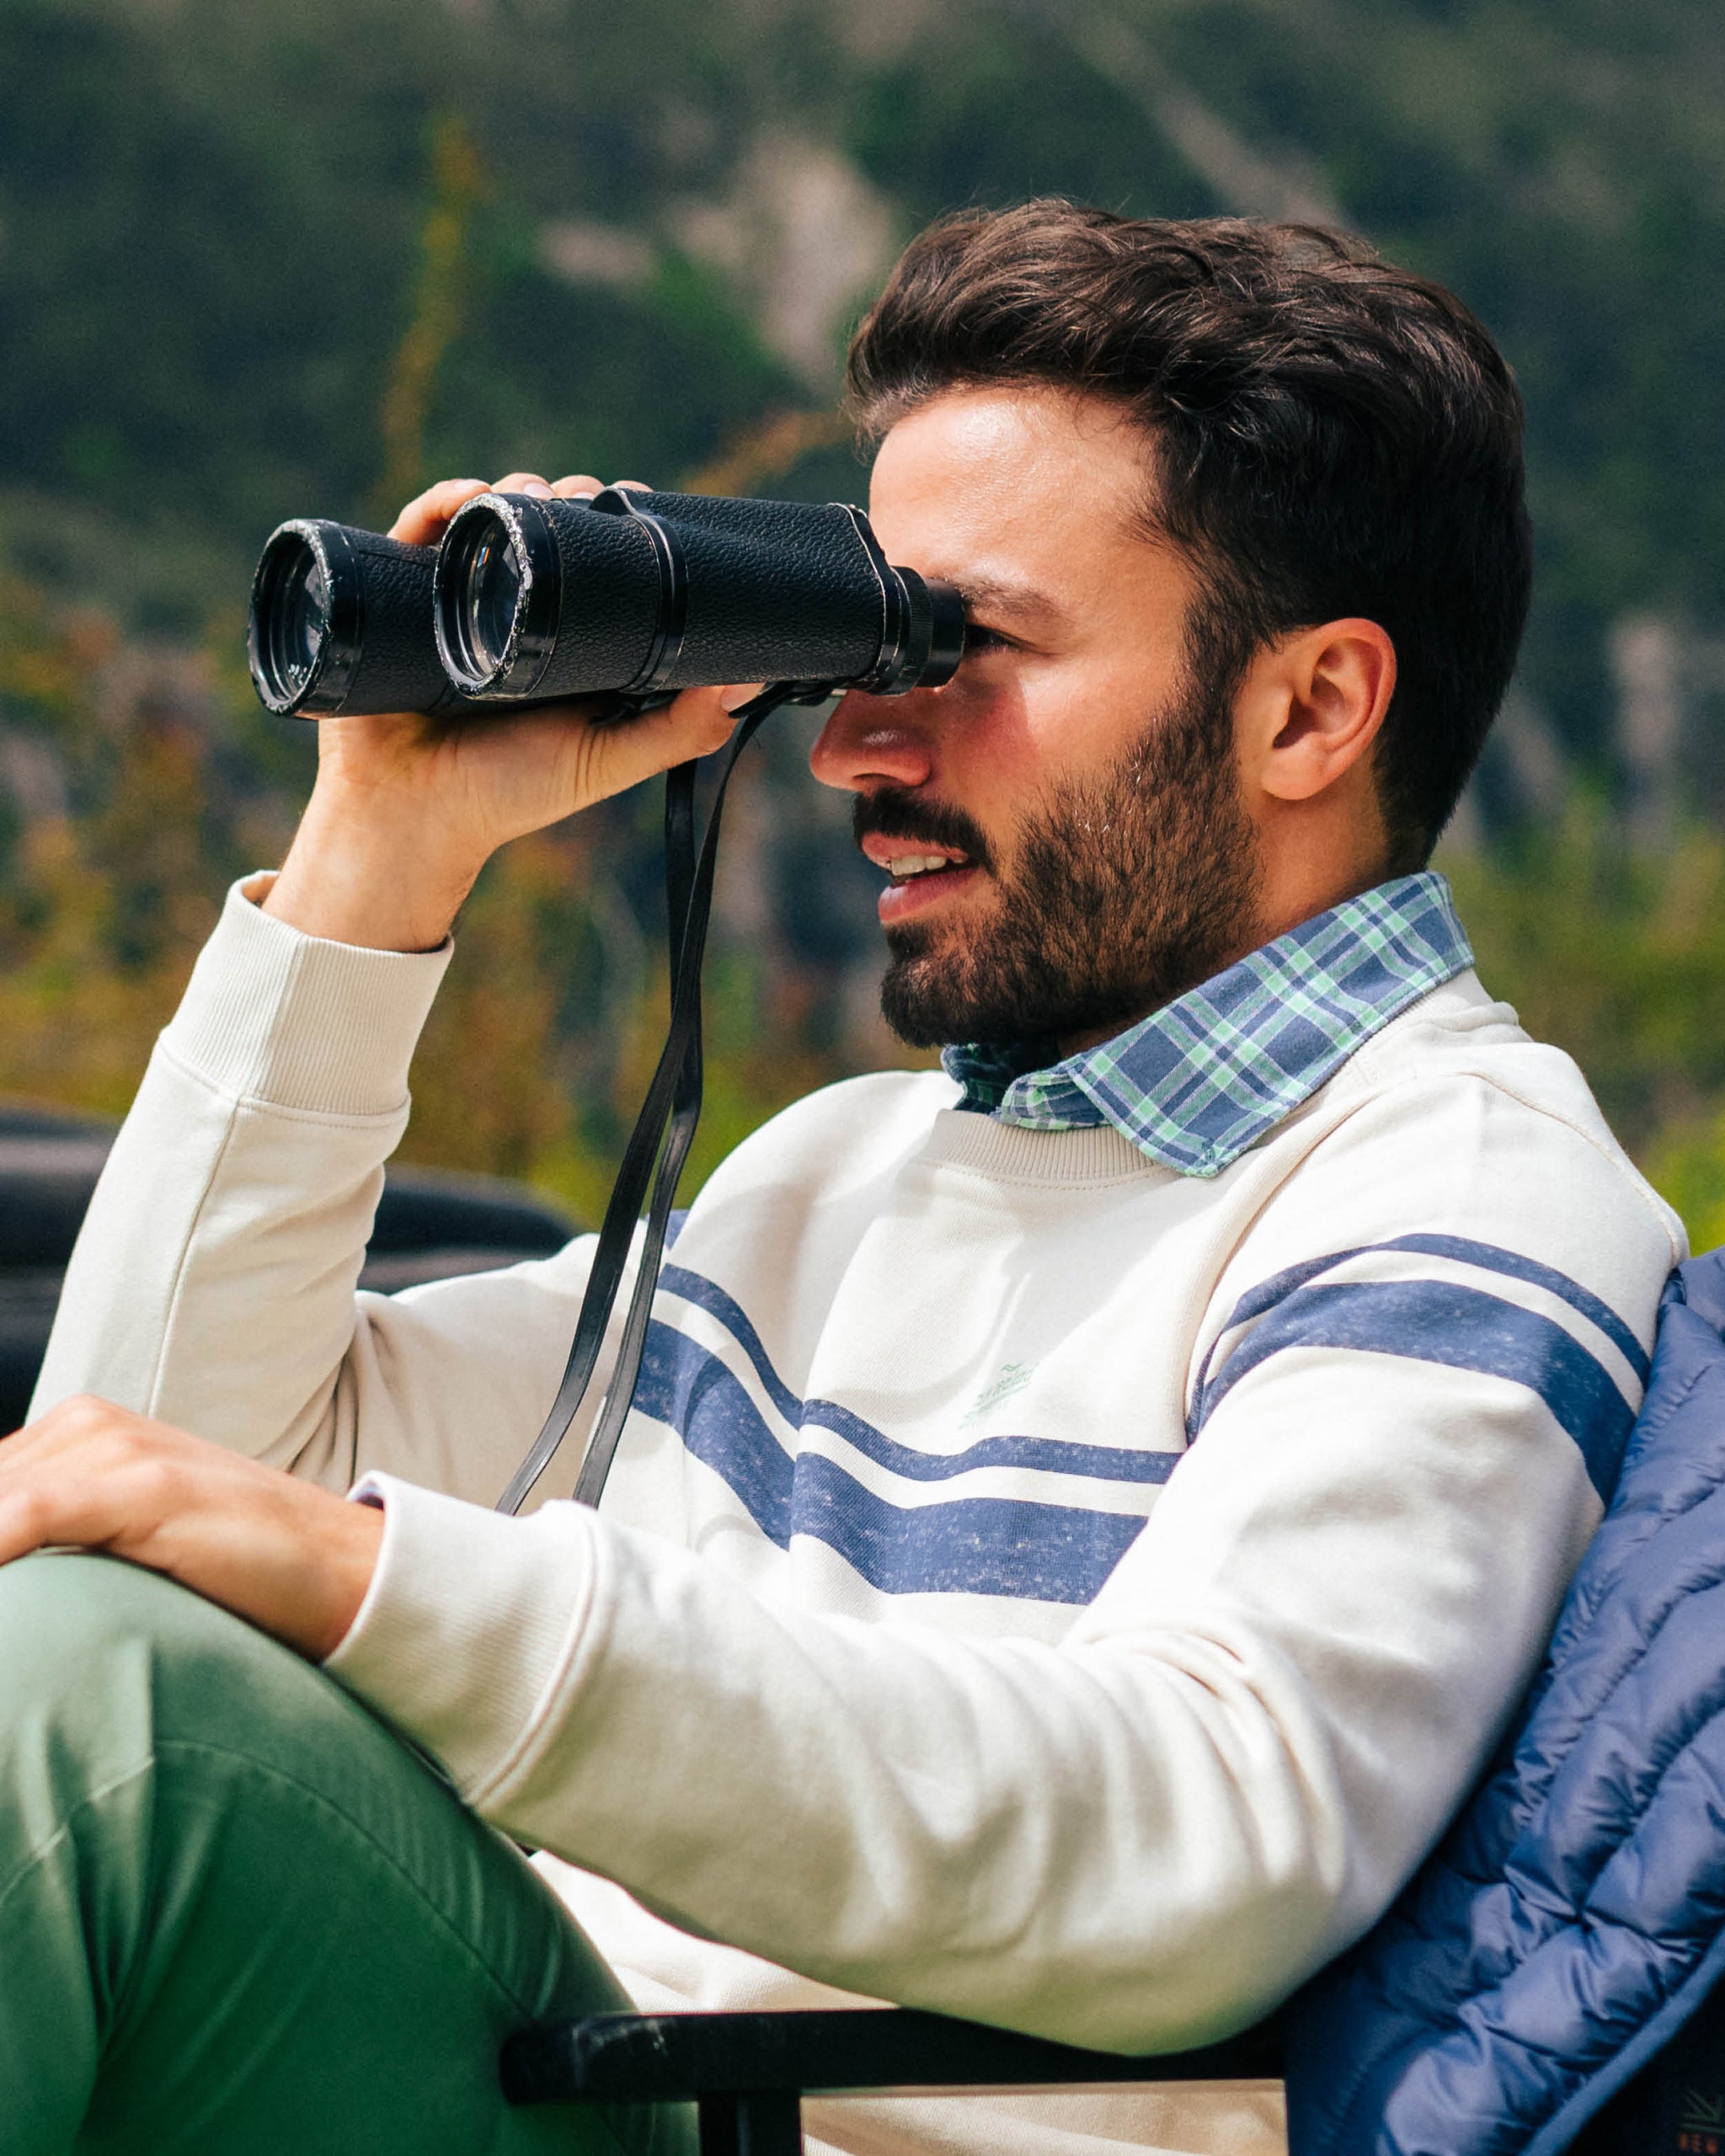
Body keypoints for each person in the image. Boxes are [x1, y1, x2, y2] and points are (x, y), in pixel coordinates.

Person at [4, 204, 1683, 2156]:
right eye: (872, 635)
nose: (853, 745)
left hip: (751, 2122)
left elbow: (1199, 1833)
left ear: (1306, 707)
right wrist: (380, 845)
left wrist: (384, 1582)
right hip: (582, 2080)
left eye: (971, 647)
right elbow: (136, 1480)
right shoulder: (836, 1174)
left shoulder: (1449, 1182)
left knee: (121, 1720)